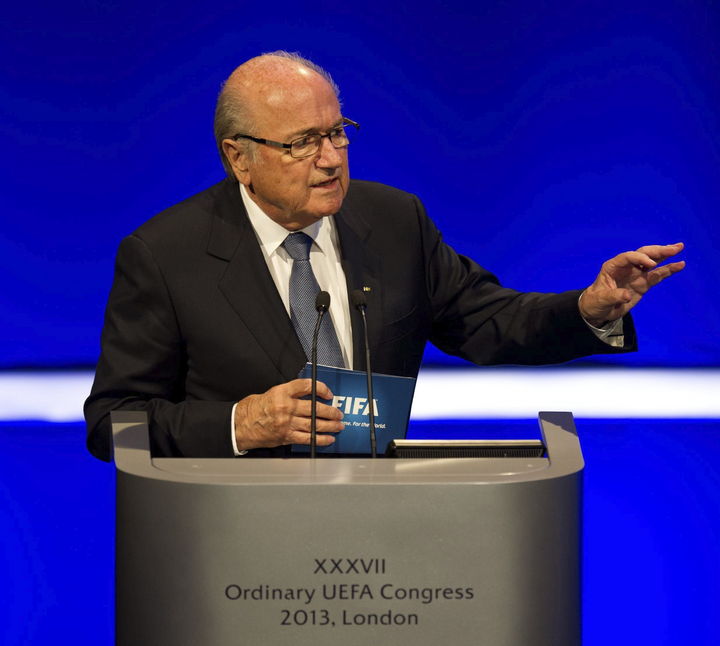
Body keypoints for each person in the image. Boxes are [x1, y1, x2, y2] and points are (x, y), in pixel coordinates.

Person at [84, 51, 685, 461]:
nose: (330, 158)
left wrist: (589, 308)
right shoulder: (165, 254)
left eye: (336, 131)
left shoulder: (395, 221)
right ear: (239, 158)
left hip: (380, 535)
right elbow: (113, 422)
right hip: (233, 542)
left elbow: (488, 321)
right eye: (302, 143)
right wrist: (241, 424)